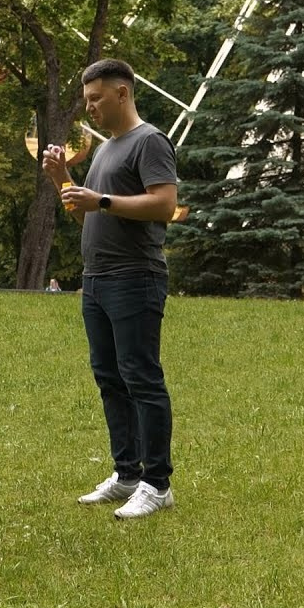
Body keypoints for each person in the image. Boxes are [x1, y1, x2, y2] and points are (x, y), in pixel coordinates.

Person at [41, 58, 179, 520]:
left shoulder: (150, 141)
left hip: (135, 276)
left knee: (141, 377)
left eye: (95, 99)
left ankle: (158, 484)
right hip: (97, 279)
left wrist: (99, 198)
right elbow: (89, 214)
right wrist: (62, 181)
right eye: (86, 100)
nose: (90, 108)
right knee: (110, 378)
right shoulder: (104, 150)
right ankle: (127, 475)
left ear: (122, 93)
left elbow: (163, 204)